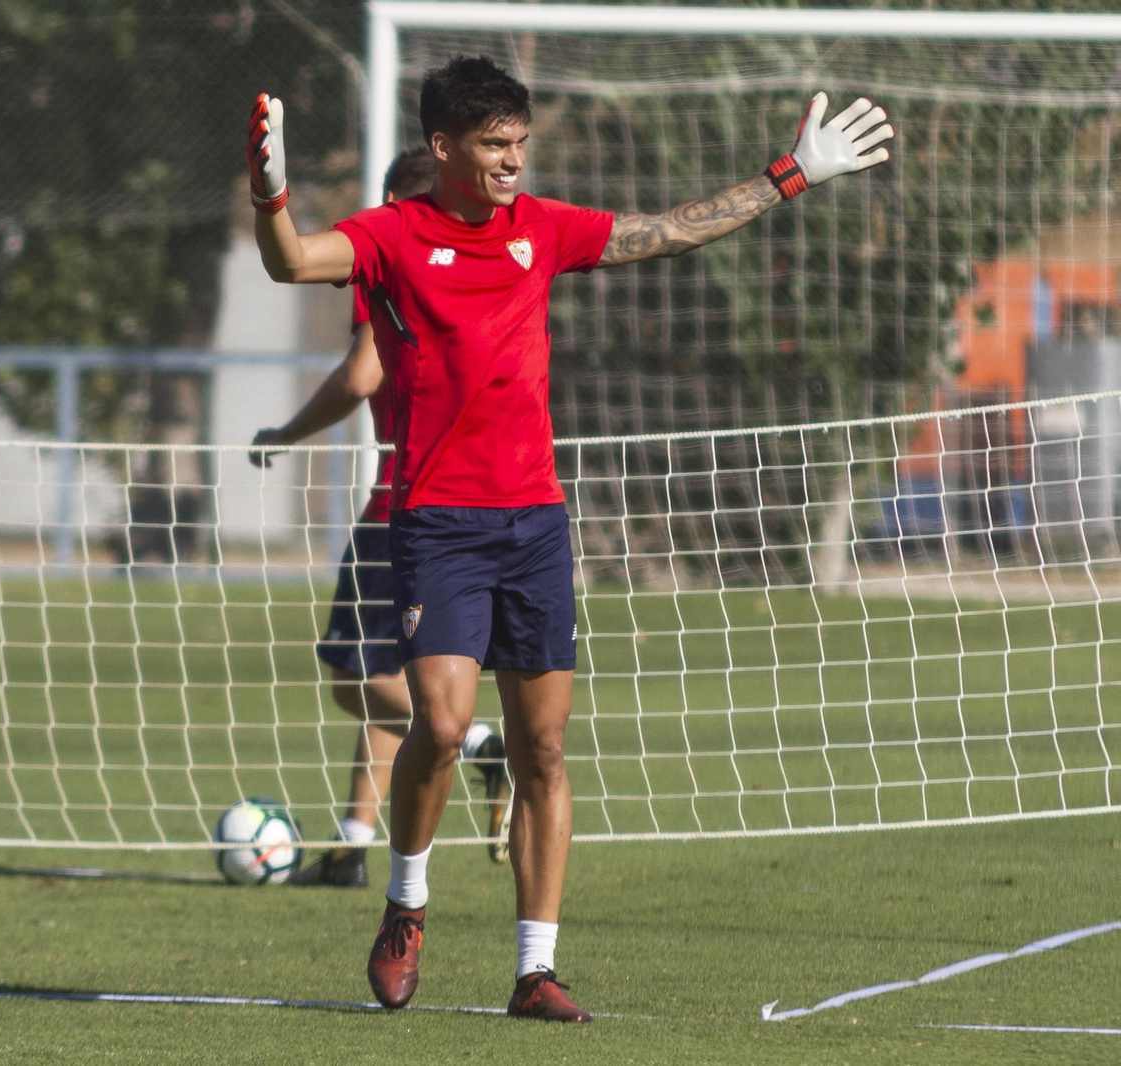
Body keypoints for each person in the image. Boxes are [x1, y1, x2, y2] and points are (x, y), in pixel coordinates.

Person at [244, 56, 892, 1021]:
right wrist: (270, 194)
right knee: (445, 724)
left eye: (520, 142)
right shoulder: (391, 237)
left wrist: (789, 174)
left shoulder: (540, 229)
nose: (512, 160)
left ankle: (533, 971)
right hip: (435, 523)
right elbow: (291, 260)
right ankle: (406, 904)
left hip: (536, 524)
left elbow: (666, 232)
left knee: (543, 747)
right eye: (494, 144)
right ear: (444, 147)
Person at [248, 147, 510, 889]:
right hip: (467, 503)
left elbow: (364, 371)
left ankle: (485, 745)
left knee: (348, 672)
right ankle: (351, 846)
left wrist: (287, 434)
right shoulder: (481, 268)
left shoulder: (396, 256)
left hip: (402, 503)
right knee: (387, 673)